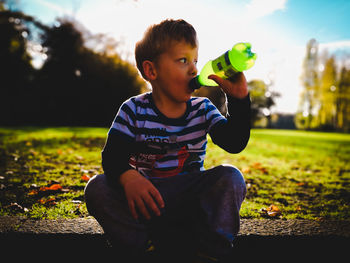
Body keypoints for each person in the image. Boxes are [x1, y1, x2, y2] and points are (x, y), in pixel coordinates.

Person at [85, 19, 250, 262]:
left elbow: (234, 142)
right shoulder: (133, 110)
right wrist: (129, 177)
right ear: (152, 71)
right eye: (183, 60)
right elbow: (112, 156)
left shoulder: (202, 108)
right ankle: (141, 246)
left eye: (195, 60)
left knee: (231, 176)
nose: (194, 70)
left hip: (191, 204)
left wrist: (239, 100)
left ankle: (211, 250)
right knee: (97, 188)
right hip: (144, 202)